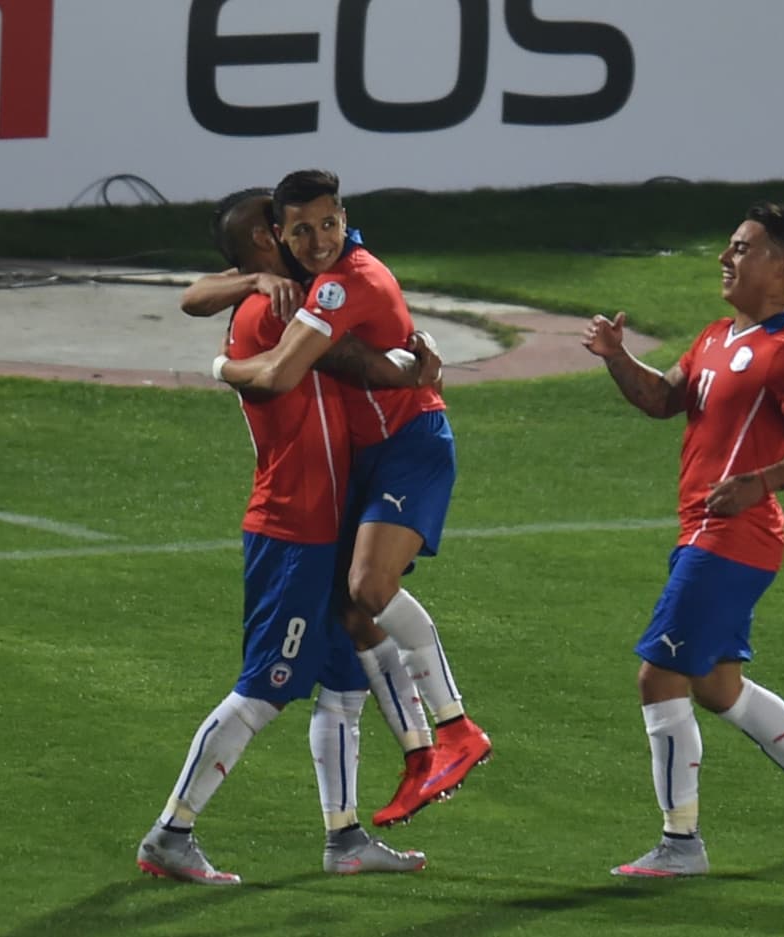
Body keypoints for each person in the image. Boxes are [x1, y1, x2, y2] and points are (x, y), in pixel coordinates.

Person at [136, 189, 429, 884]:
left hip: (324, 525)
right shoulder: (270, 311)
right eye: (282, 228)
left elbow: (348, 359)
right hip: (292, 527)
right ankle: (171, 831)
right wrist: (414, 371)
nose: (302, 235)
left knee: (343, 683)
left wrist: (408, 367)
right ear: (265, 241)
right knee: (266, 685)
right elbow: (277, 359)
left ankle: (346, 837)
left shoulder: (296, 300)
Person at [582, 202, 784, 877]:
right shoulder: (717, 335)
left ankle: (681, 843)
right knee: (715, 684)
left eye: (741, 248)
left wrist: (758, 483)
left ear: (781, 265)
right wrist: (616, 357)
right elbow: (664, 399)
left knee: (659, 675)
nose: (725, 257)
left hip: (733, 535)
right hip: (706, 533)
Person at [214, 170, 491, 827]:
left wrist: (219, 368)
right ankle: (420, 756)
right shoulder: (313, 280)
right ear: (277, 235)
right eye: (302, 230)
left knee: (368, 586)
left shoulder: (342, 281)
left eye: (327, 224)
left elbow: (284, 371)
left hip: (407, 444)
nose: (317, 240)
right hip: (371, 455)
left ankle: (454, 726)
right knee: (353, 610)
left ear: (345, 217)